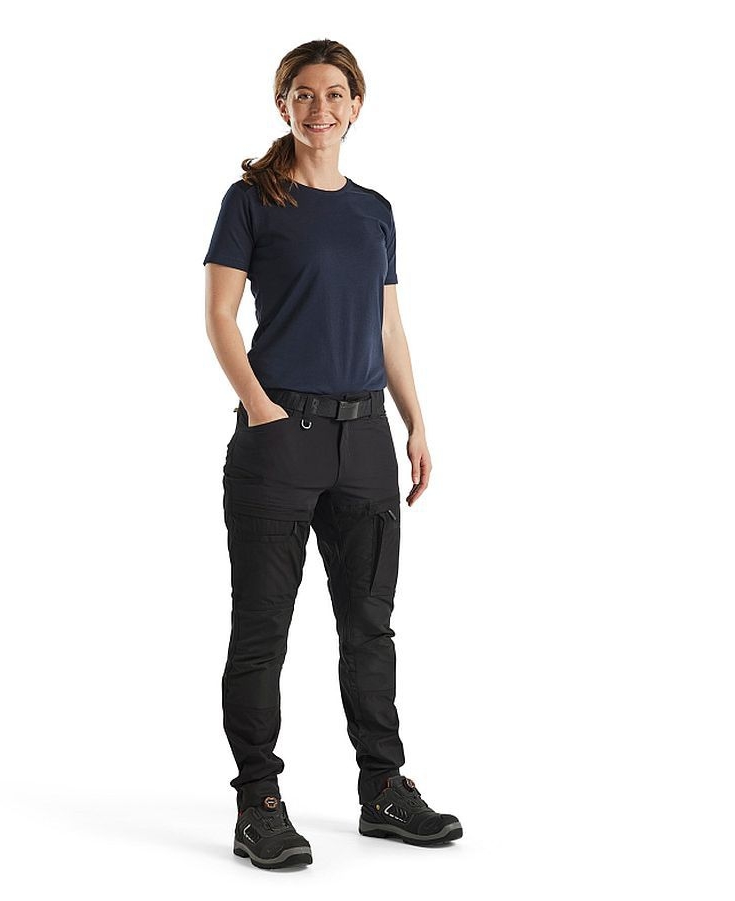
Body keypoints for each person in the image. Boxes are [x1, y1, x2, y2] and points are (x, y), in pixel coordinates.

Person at [203, 39, 462, 869]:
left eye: (336, 93)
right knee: (262, 629)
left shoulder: (375, 210)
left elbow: (389, 326)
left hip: (366, 440)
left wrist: (415, 421)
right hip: (280, 440)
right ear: (284, 104)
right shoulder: (252, 200)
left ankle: (382, 787)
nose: (321, 108)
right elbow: (219, 314)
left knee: (370, 626)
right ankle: (258, 800)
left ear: (356, 106)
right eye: (305, 94)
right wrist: (262, 410)